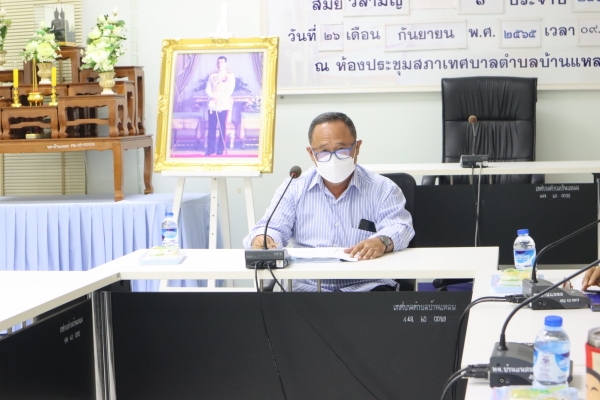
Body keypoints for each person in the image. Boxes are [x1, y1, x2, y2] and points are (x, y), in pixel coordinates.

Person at [242, 112, 415, 292]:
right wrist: (265, 239)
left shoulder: (383, 188)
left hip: (365, 287)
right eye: (323, 151)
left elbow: (400, 226)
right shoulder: (293, 188)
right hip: (308, 289)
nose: (333, 158)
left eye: (341, 149)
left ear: (357, 148)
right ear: (311, 153)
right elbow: (273, 227)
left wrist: (382, 241)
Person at [205, 56, 235, 156]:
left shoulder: (230, 75)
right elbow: (208, 88)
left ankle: (220, 149)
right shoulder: (212, 76)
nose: (219, 64)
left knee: (222, 128)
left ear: (225, 64)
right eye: (218, 62)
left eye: (222, 62)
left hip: (223, 105)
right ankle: (210, 149)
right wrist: (212, 97)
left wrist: (219, 98)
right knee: (211, 128)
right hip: (212, 105)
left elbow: (230, 90)